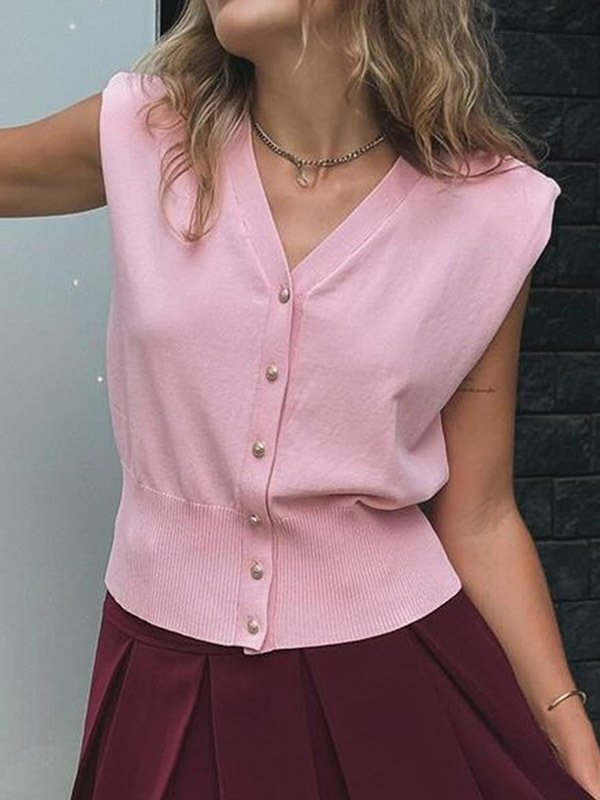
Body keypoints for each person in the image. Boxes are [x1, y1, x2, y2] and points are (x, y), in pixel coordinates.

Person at [2, 1, 599, 798]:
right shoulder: (147, 131)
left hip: (399, 675)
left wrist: (564, 719)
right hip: (164, 673)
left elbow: (481, 515)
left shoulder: (493, 211)